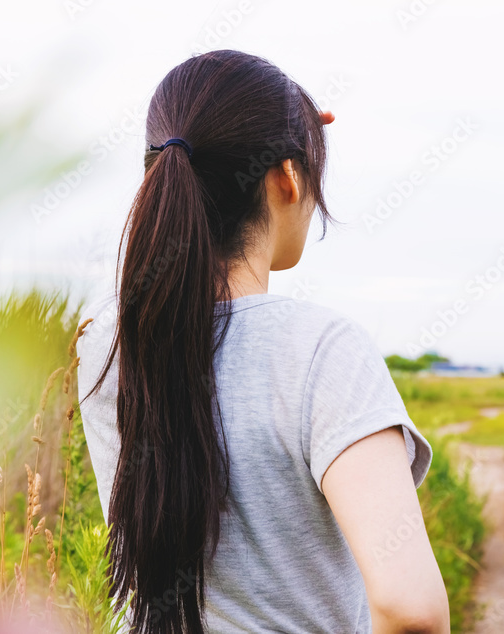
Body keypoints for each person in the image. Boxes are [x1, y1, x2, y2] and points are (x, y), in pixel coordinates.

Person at [76, 50, 450, 634]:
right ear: (287, 178)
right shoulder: (323, 351)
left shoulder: (105, 347)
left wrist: (280, 132)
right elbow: (412, 609)